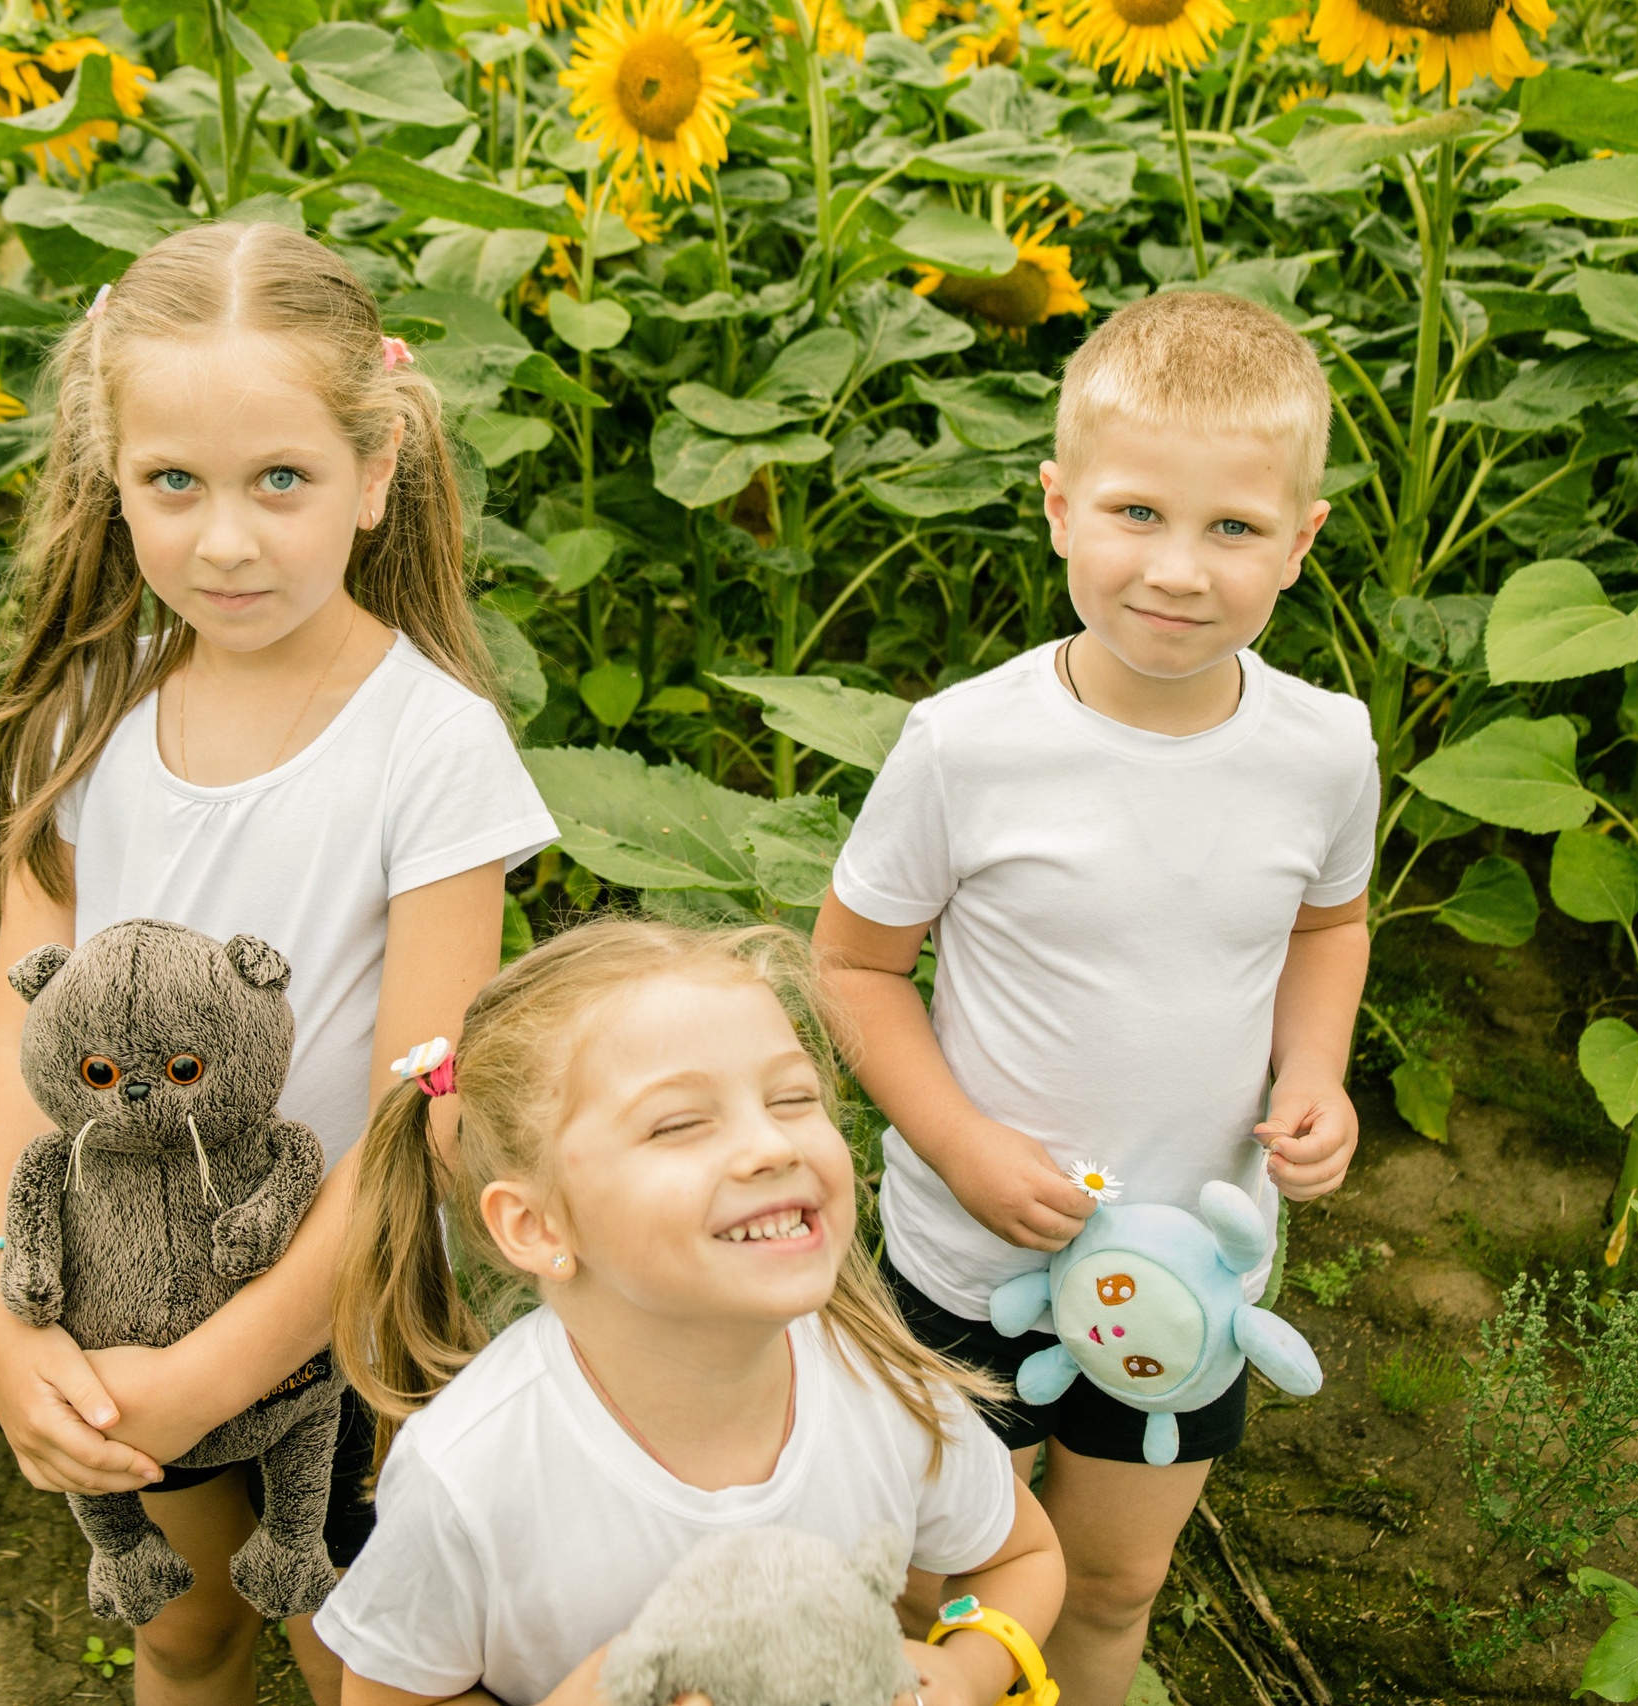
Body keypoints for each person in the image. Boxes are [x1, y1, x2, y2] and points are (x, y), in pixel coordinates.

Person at [0, 222, 559, 1706]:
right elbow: (18, 1033)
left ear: (376, 470)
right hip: (114, 1294)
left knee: (363, 1660)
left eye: (280, 478)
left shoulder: (431, 748)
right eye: (174, 481)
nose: (225, 539)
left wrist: (215, 1375)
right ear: (112, 476)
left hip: (336, 1313)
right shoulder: (83, 711)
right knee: (182, 1627)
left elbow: (419, 1110)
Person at [812, 289, 1376, 1705]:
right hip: (976, 1255)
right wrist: (960, 1143)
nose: (1177, 569)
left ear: (1300, 542)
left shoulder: (1322, 750)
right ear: (1059, 508)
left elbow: (1329, 923)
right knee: (950, 1582)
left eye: (1233, 527)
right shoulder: (968, 747)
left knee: (1115, 1582)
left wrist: (1315, 1070)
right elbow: (854, 963)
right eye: (1135, 513)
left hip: (1189, 1272)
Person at [318, 919, 1065, 1706]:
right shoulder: (469, 1474)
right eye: (679, 1123)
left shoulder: (880, 1385)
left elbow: (1017, 1559)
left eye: (793, 1098)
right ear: (536, 1226)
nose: (773, 1146)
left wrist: (968, 1666)